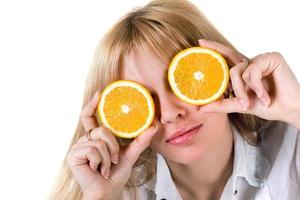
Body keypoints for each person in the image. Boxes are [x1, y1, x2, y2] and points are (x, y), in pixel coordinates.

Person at [49, 0, 300, 199]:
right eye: (144, 99)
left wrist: (295, 109)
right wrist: (99, 197)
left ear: (221, 73)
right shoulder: (117, 191)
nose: (170, 112)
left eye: (183, 81)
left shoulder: (291, 145)